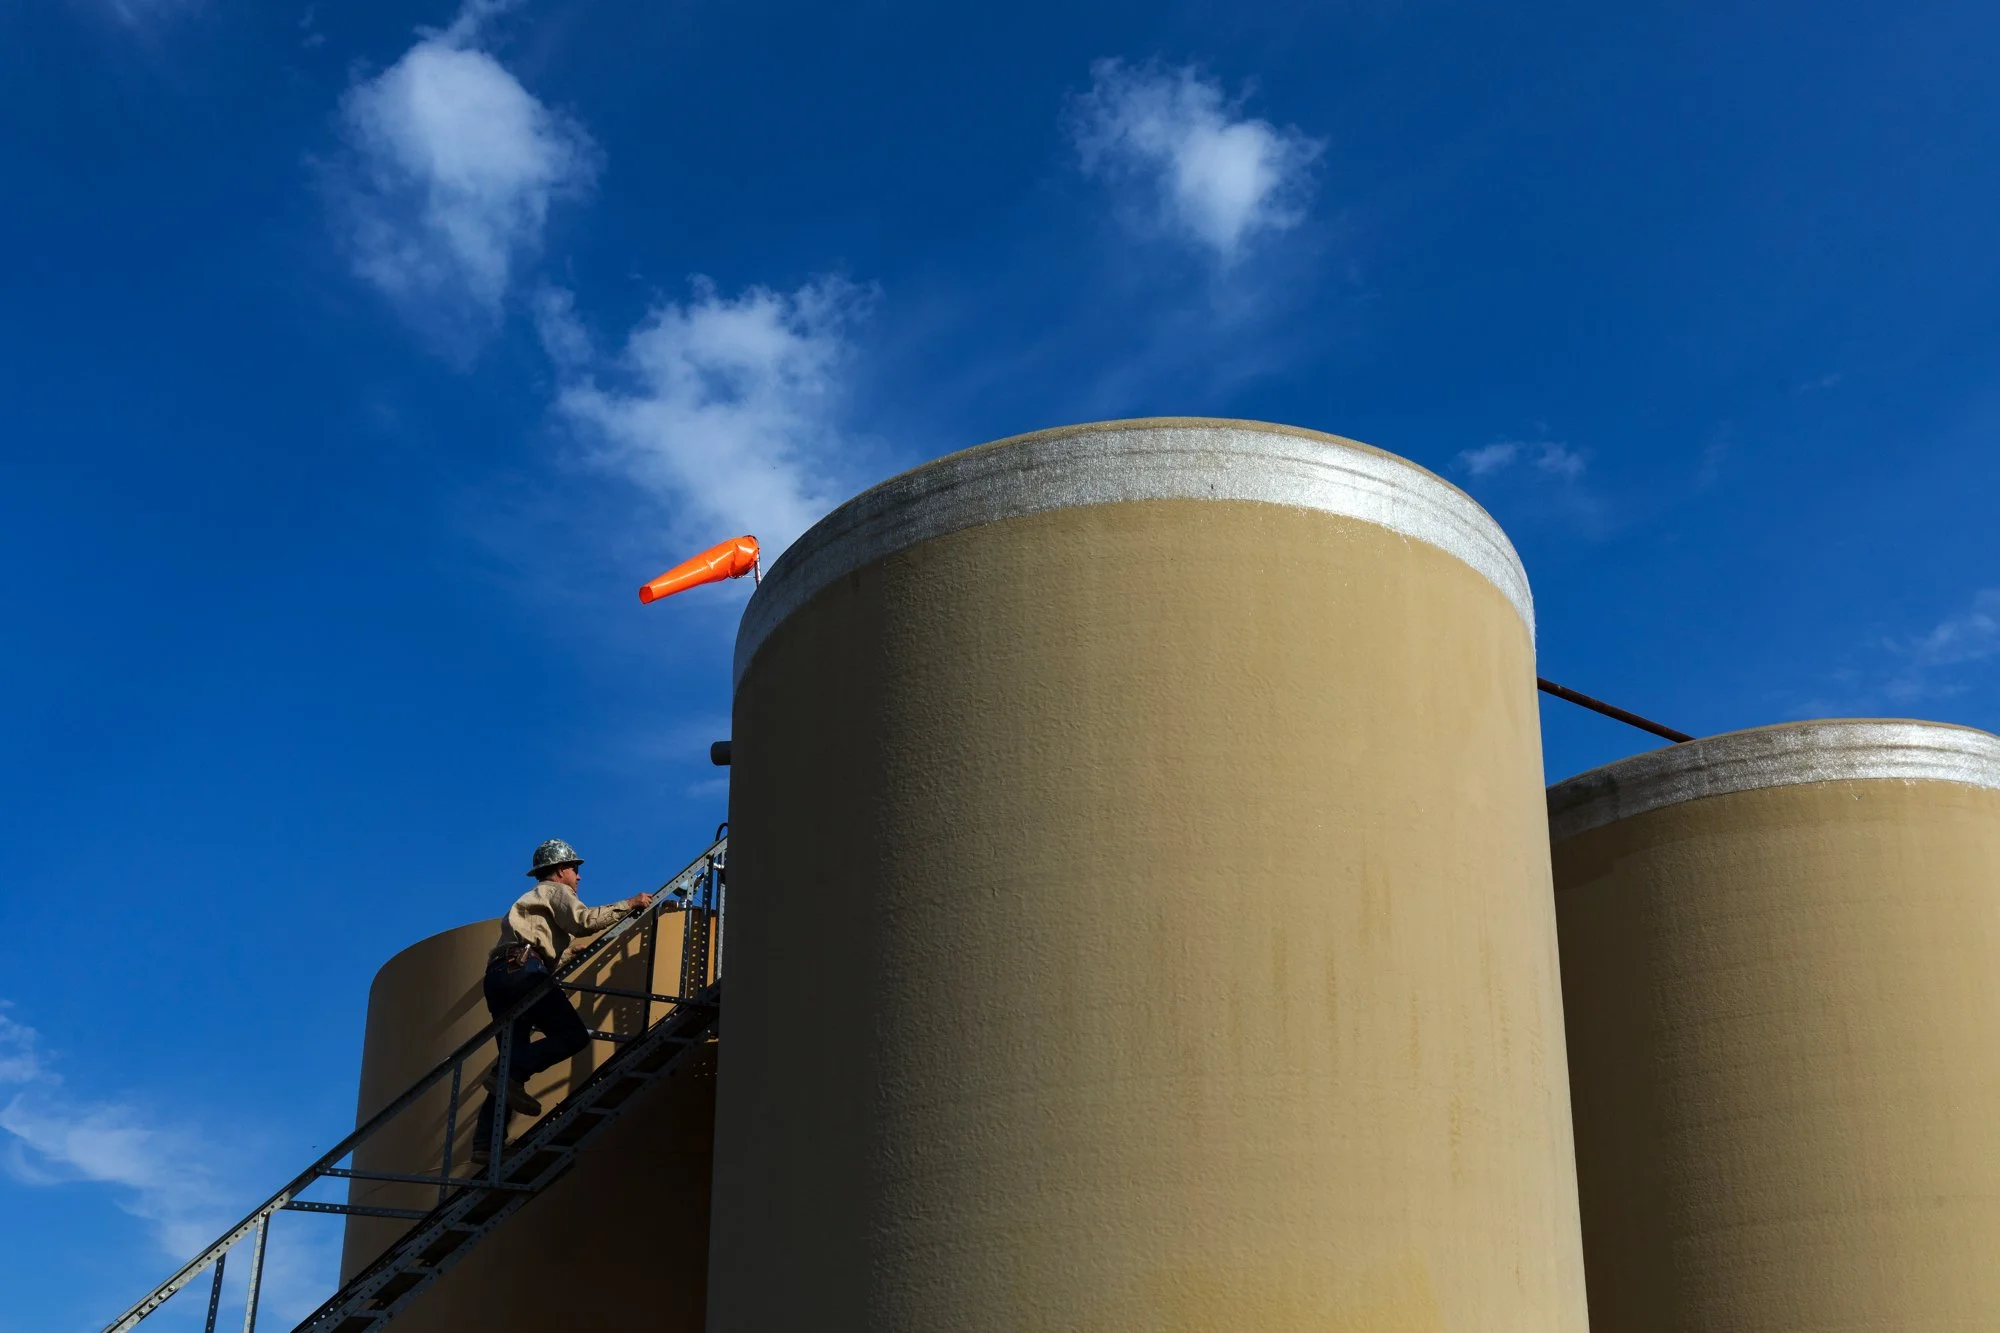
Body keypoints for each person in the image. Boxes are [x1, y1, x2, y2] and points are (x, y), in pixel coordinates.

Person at [471, 838, 654, 1164]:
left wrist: (571, 953)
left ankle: (486, 1144)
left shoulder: (533, 902)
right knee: (573, 1036)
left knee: (509, 1066)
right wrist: (630, 904)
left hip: (500, 976)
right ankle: (510, 1077)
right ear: (558, 871)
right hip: (524, 972)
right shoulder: (556, 891)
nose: (579, 876)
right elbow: (583, 922)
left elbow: (552, 942)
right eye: (574, 869)